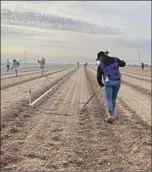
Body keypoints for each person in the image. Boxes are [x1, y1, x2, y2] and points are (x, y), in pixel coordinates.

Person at [96, 51, 126, 123]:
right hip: (117, 82)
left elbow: (98, 76)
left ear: (101, 57)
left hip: (108, 82)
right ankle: (112, 113)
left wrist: (101, 84)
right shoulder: (115, 59)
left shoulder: (101, 65)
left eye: (98, 58)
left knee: (109, 99)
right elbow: (123, 64)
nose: (99, 60)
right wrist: (123, 61)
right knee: (113, 97)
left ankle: (110, 115)